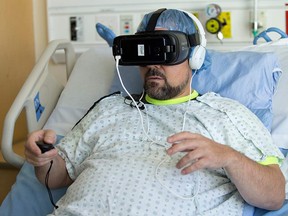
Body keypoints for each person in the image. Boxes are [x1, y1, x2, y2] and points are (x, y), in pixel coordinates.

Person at [24, 9, 285, 216]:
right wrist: (44, 158)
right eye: (145, 51)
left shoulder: (225, 114)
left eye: (165, 51)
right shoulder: (109, 108)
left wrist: (228, 158)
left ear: (195, 57)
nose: (152, 63)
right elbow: (57, 177)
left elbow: (273, 195)